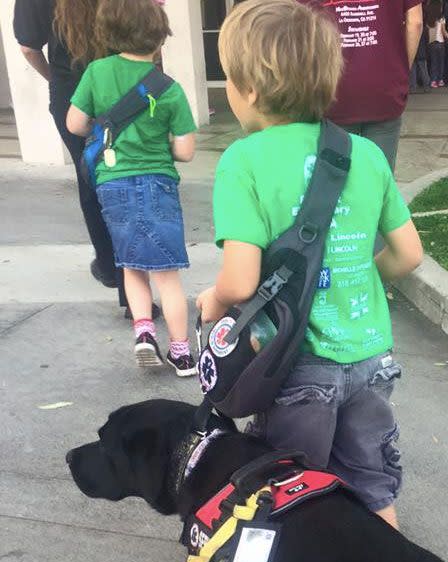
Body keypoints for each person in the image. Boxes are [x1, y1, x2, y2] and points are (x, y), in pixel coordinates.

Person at [196, 0, 424, 529]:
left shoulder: (243, 161)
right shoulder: (364, 154)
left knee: (291, 489)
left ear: (249, 89)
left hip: (298, 366)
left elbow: (241, 280)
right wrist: (362, 276)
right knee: (370, 483)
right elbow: (409, 254)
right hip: (371, 358)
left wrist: (213, 300)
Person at [66, 0, 198, 376]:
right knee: (168, 274)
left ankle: (143, 333)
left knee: (131, 264)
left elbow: (74, 124)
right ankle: (182, 352)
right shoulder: (168, 88)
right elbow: (186, 151)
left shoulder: (96, 72)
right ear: (160, 36)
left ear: (108, 32)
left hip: (114, 184)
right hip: (158, 185)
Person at [13, 0, 131, 310]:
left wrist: (56, 78)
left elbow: (28, 47)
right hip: (124, 88)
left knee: (91, 175)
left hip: (71, 94)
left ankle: (109, 267)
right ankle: (136, 272)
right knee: (127, 174)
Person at [298, 0, 423, 172]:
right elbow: (415, 23)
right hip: (385, 88)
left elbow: (297, 29)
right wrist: (401, 71)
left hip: (333, 90)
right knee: (380, 177)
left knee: (334, 182)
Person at [427, 1, 448, 89]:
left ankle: (433, 81)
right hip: (440, 43)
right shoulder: (441, 18)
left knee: (433, 63)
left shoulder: (428, 18)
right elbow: (444, 32)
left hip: (431, 43)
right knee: (441, 62)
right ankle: (440, 80)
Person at [409, 13, 431, 93]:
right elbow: (427, 41)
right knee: (423, 70)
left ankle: (413, 87)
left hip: (413, 50)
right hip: (422, 51)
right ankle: (426, 86)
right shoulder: (425, 29)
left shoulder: (410, 28)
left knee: (413, 70)